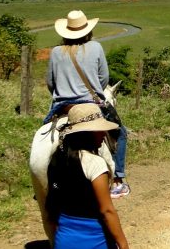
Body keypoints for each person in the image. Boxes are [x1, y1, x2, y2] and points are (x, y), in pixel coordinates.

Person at [45, 9, 131, 199]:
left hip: (62, 106)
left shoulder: (55, 52)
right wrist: (92, 91)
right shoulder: (96, 47)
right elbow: (104, 78)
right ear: (87, 30)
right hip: (91, 104)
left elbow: (50, 83)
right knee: (121, 133)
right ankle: (117, 181)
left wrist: (62, 96)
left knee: (44, 133)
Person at [46, 103, 129, 249]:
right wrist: (123, 243)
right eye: (99, 130)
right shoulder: (95, 164)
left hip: (64, 239)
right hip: (95, 240)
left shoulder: (55, 160)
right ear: (87, 133)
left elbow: (52, 204)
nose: (104, 135)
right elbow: (106, 210)